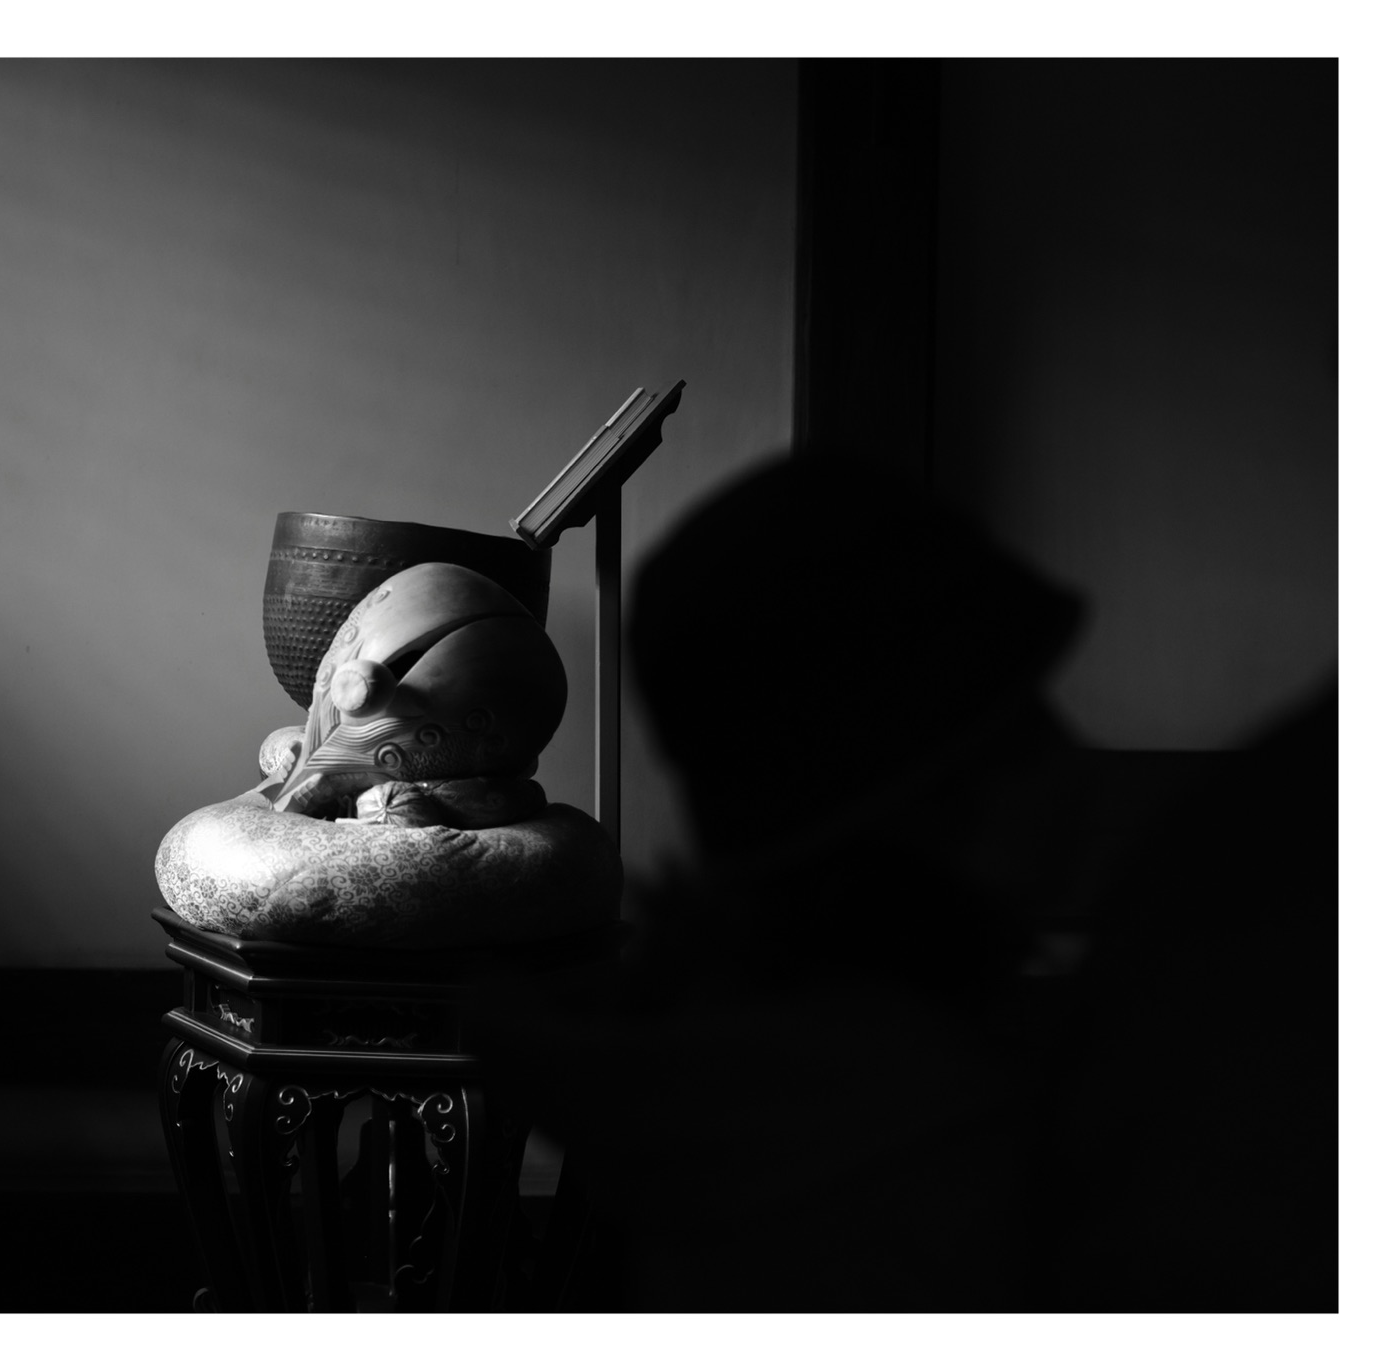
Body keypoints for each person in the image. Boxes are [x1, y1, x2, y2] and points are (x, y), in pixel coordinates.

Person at [473, 450, 1334, 1311]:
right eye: (1025, 732)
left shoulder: (726, 1086)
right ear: (926, 801)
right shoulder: (921, 1166)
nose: (1073, 766)